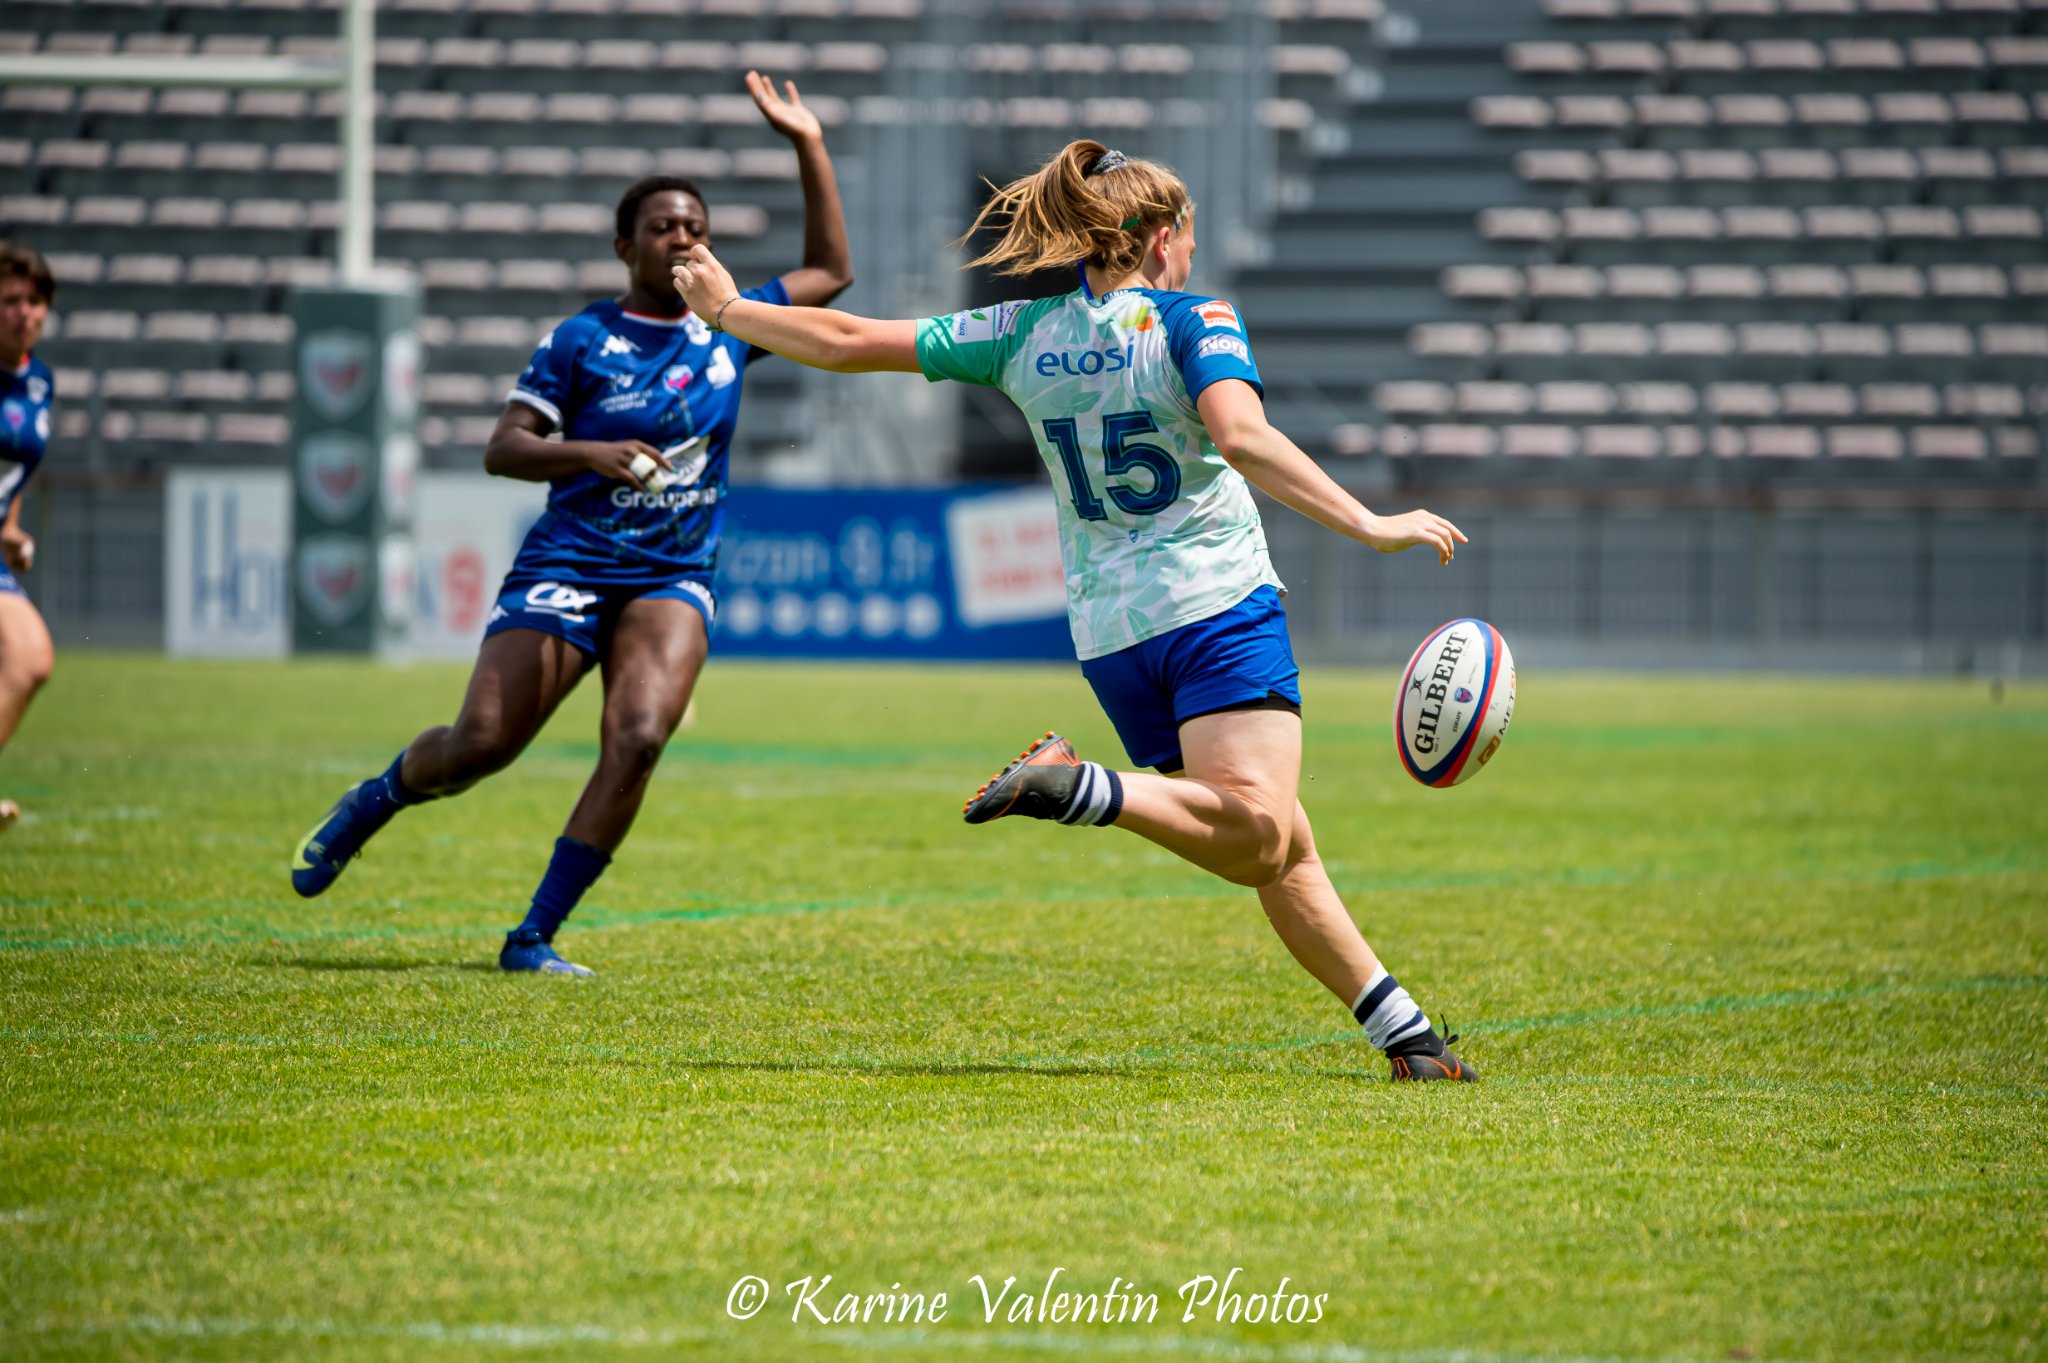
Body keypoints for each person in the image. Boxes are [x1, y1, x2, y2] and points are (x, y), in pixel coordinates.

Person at [673, 140, 1478, 1079]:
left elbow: (849, 341)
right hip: (1213, 605)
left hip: (1111, 635)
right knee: (1258, 832)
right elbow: (1242, 436)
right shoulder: (1195, 317)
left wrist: (729, 310)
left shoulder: (1020, 331)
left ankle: (1408, 1038)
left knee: (1277, 843)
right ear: (1163, 238)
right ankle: (1077, 785)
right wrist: (1371, 523)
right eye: (1186, 239)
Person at [289, 73, 855, 975]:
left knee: (637, 738)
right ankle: (378, 797)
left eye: (697, 227)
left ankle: (533, 937)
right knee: (481, 746)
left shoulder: (733, 325)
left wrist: (807, 141)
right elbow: (504, 448)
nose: (684, 238)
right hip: (573, 559)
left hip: (673, 575)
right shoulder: (581, 339)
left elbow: (833, 271)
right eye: (665, 227)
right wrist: (590, 452)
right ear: (624, 244)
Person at [0, 243, 57, 836]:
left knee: (31, 658)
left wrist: (10, 530)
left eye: (35, 301)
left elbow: (10, 466)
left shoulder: (37, 381)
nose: (24, 312)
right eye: (10, 301)